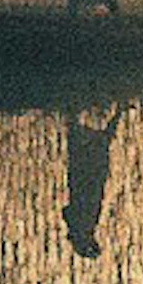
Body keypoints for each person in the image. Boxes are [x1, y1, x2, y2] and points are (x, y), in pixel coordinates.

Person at [59, 105, 119, 256]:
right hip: (82, 182)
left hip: (88, 182)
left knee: (99, 146)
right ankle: (73, 112)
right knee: (92, 145)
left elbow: (80, 206)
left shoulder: (84, 225)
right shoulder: (79, 226)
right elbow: (66, 210)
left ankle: (118, 113)